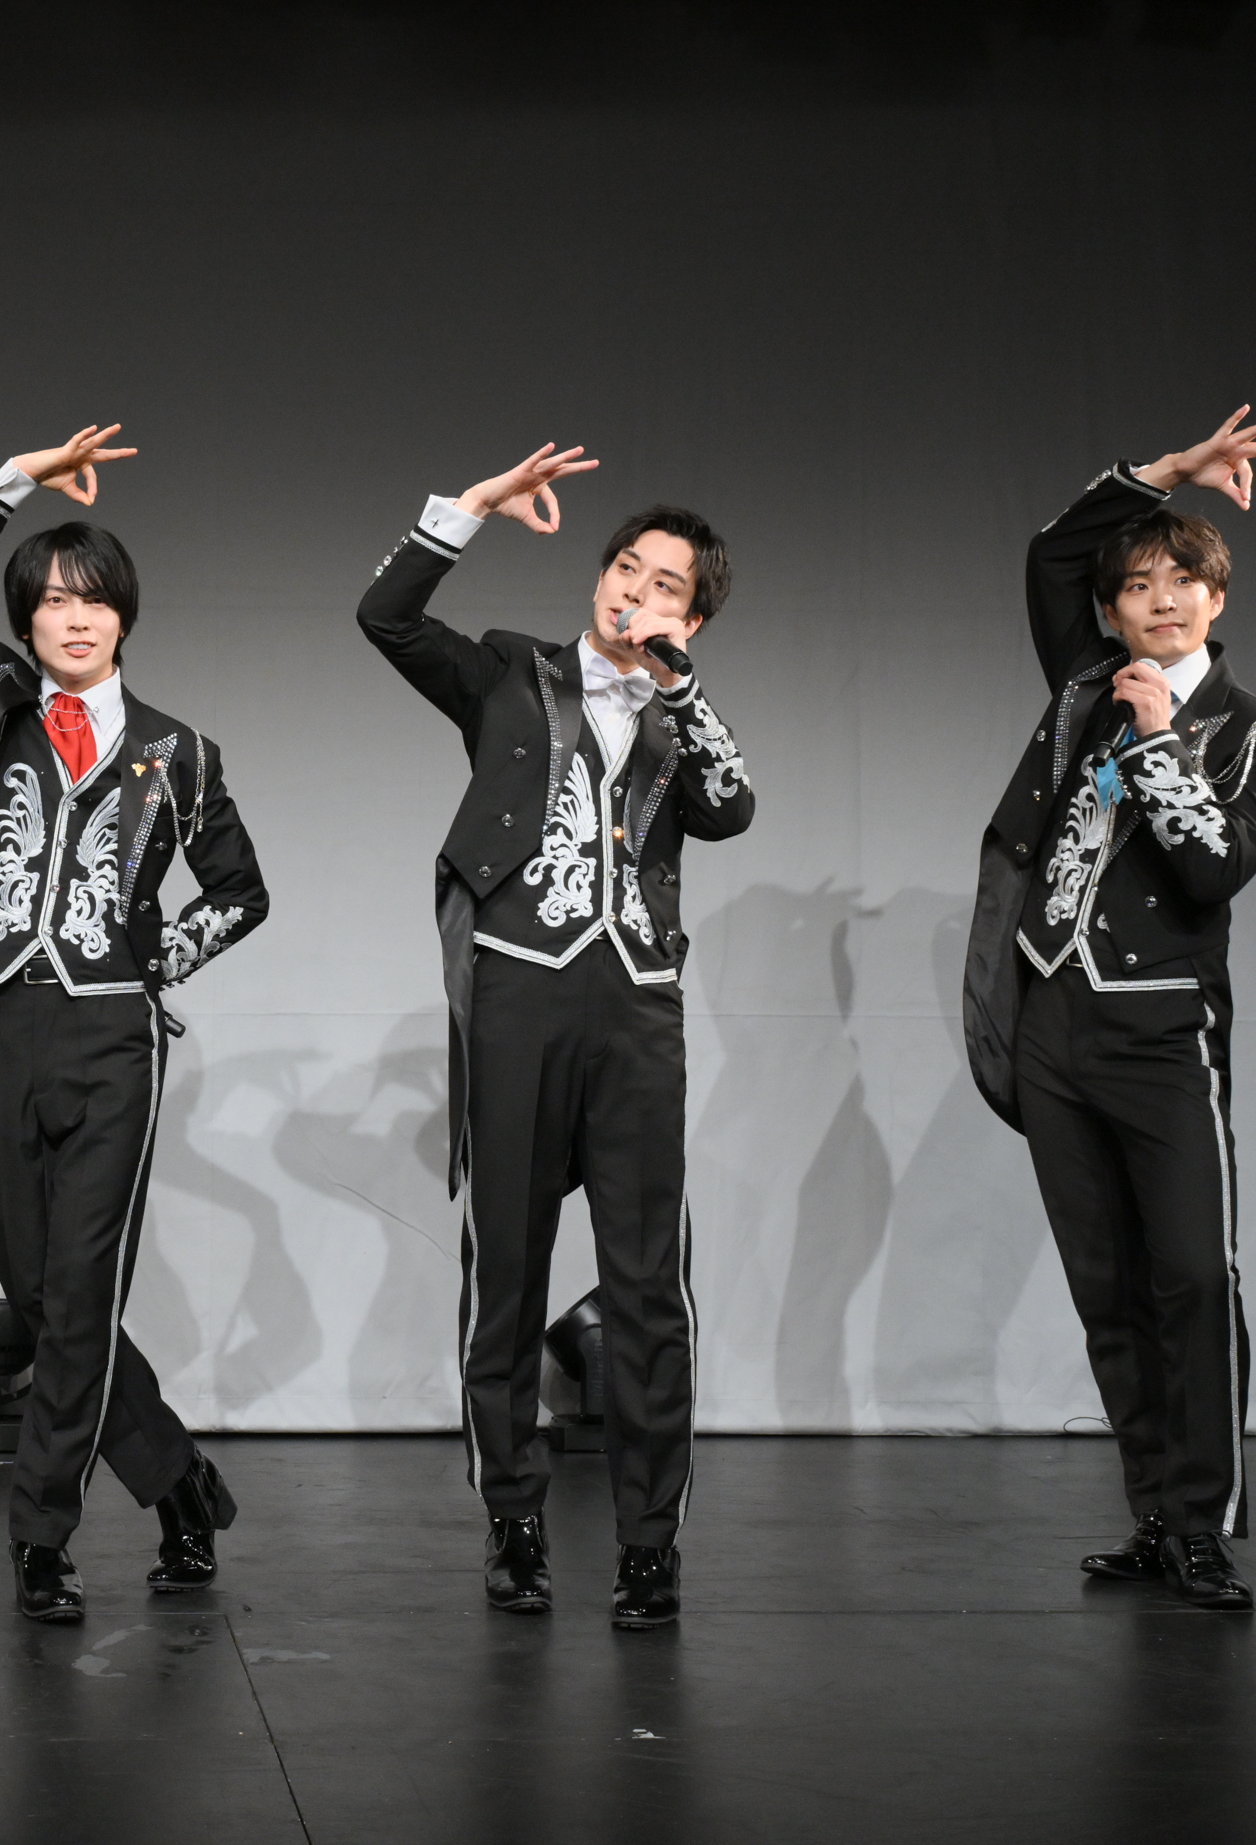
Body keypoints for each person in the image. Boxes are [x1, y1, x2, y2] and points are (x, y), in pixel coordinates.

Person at [356, 443, 754, 1627]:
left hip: (636, 1005)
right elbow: (386, 615)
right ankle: (516, 1519)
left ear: (694, 615)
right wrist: (468, 509)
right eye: (627, 566)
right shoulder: (508, 671)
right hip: (521, 990)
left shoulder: (683, 716)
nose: (637, 589)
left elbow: (731, 808)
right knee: (508, 1272)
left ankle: (648, 1540)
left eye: (667, 583)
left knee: (648, 1285)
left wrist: (680, 689)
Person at [0, 424, 270, 1623]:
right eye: (53, 599)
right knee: (46, 1298)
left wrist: (158, 961)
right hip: (0, 1025)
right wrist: (15, 482)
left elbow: (241, 890)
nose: (75, 617)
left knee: (82, 1286)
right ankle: (179, 1482)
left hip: (115, 1040)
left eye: (94, 597)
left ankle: (41, 1536)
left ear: (124, 614)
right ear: (26, 620)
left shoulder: (180, 752)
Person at [962, 407, 1256, 1612]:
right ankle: (1155, 1515)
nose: (1162, 599)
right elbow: (1053, 551)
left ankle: (1205, 1523)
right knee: (1106, 1288)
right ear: (1112, 612)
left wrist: (1161, 742)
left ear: (1219, 596)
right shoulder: (1085, 687)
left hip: (1164, 1035)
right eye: (1140, 585)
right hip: (1054, 1023)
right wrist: (1166, 474)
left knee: (1193, 1279)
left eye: (1183, 580)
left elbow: (1214, 867)